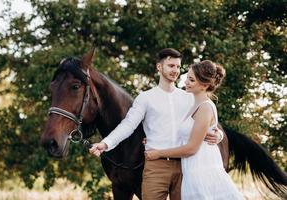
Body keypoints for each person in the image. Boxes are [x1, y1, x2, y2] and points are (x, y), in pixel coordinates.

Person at [90, 48, 223, 200]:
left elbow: (208, 119)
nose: (176, 70)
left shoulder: (190, 97)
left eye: (178, 67)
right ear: (159, 67)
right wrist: (106, 143)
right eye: (171, 66)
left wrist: (218, 134)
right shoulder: (145, 98)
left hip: (186, 167)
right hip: (156, 167)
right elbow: (128, 125)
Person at [145, 60, 243, 199]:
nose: (185, 82)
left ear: (204, 85)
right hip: (191, 170)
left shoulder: (205, 108)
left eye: (191, 80)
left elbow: (191, 148)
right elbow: (180, 129)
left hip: (202, 169)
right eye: (187, 78)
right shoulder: (191, 103)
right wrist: (155, 138)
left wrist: (158, 153)